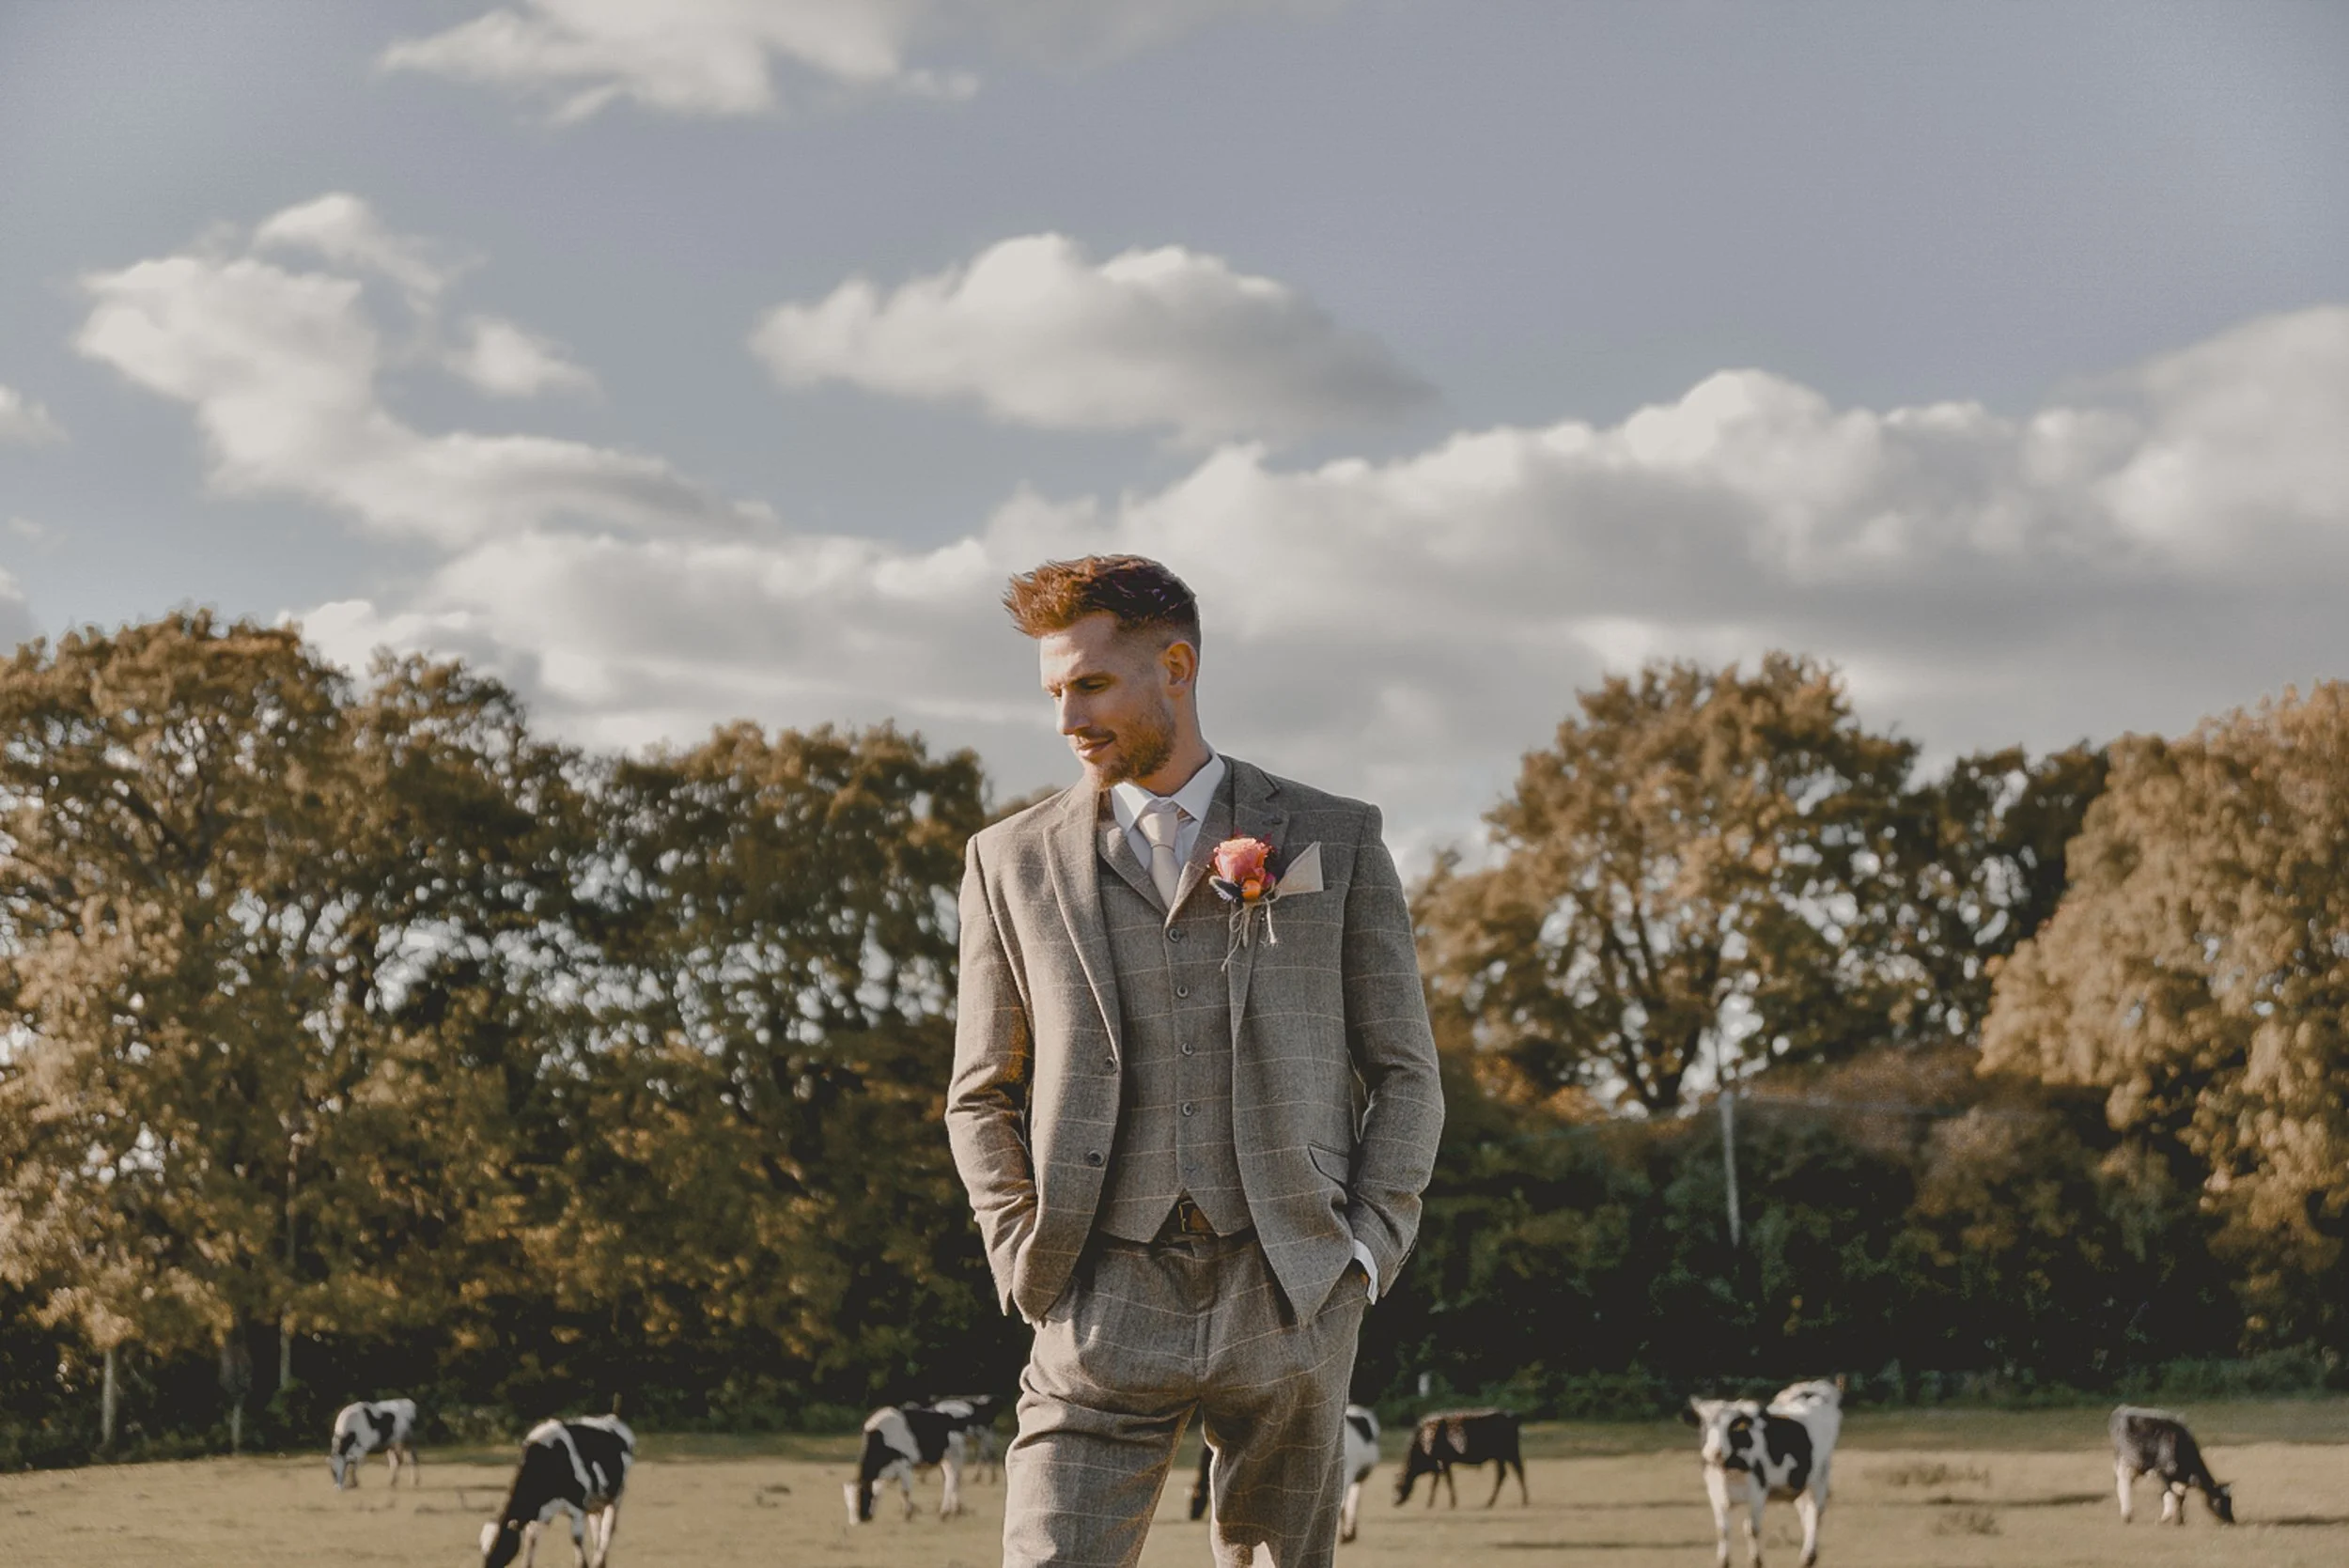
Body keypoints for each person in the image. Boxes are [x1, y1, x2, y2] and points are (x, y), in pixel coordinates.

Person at [946, 554, 1445, 1568]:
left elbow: (1404, 1071)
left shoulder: (1330, 838)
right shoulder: (1007, 859)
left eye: (1089, 683)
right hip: (1095, 1293)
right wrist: (1019, 1251)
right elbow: (980, 1091)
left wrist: (1363, 1251)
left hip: (1289, 1285)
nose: (1065, 717)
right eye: (1052, 691)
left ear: (1175, 665)